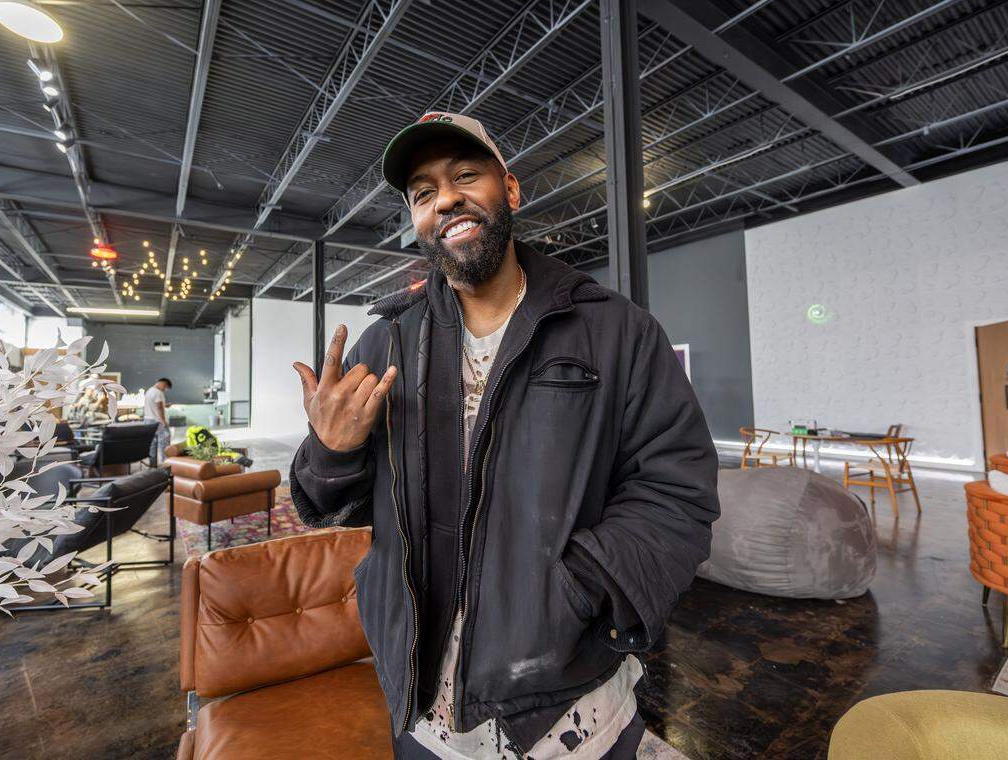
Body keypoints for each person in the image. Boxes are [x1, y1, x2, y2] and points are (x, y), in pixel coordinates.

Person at [290, 112, 719, 759]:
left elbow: (677, 491)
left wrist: (577, 587)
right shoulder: (385, 346)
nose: (446, 199)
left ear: (510, 189)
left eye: (465, 175)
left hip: (571, 716)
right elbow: (330, 506)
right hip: (420, 711)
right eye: (424, 192)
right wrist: (332, 450)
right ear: (416, 219)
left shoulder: (615, 331)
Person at [142, 377, 172, 466]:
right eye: (166, 388)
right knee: (165, 441)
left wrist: (165, 405)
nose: (165, 390)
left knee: (152, 443)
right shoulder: (159, 392)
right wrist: (163, 421)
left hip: (148, 420)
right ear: (163, 384)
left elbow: (154, 405)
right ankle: (165, 464)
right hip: (157, 421)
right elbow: (159, 407)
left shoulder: (149, 391)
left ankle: (153, 465)